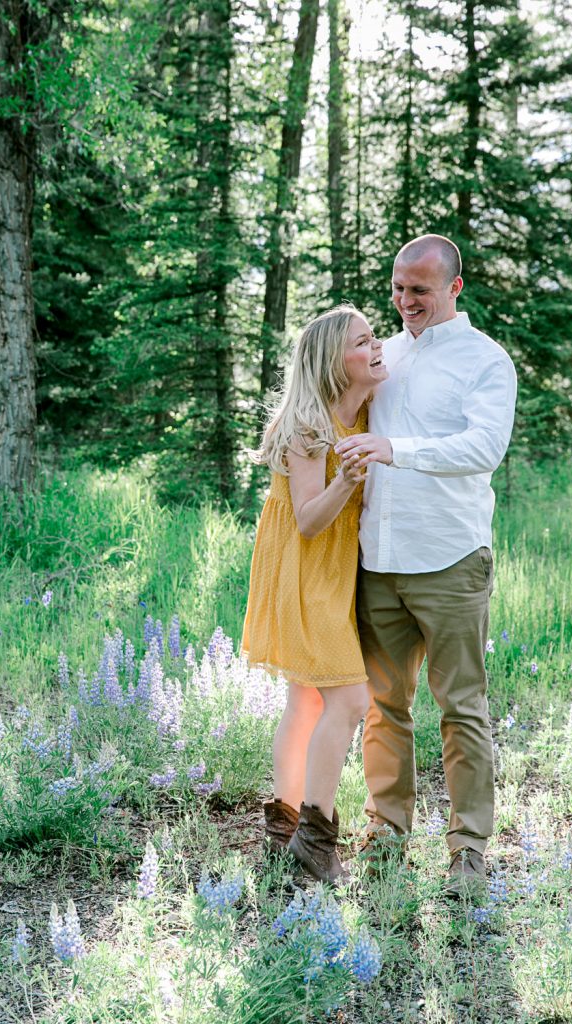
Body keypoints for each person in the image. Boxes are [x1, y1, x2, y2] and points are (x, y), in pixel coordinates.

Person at [335, 235, 517, 897]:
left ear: (453, 288)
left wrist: (395, 449)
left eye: (419, 290)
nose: (405, 301)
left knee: (460, 709)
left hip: (448, 559)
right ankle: (384, 840)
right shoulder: (381, 355)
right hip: (377, 561)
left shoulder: (484, 361)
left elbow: (482, 447)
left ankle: (467, 851)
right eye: (397, 287)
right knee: (384, 710)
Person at [242, 304, 387, 883]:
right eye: (364, 341)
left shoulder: (368, 409)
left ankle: (280, 834)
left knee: (305, 702)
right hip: (304, 572)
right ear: (335, 360)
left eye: (376, 338)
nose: (378, 347)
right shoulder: (310, 426)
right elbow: (306, 521)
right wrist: (346, 481)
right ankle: (316, 840)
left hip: (334, 572)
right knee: (350, 702)